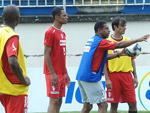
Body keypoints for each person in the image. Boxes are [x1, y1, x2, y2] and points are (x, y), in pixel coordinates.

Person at [76, 21, 149, 113]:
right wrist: (138, 39)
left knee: (87, 106)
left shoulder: (92, 40)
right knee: (103, 105)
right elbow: (119, 45)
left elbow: (104, 57)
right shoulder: (101, 42)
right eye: (106, 28)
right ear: (99, 30)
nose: (109, 31)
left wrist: (120, 54)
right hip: (91, 77)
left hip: (81, 76)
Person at [104, 17, 141, 113]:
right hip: (113, 76)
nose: (125, 28)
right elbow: (103, 62)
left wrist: (135, 76)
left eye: (125, 26)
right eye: (123, 26)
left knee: (133, 103)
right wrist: (107, 79)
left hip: (127, 76)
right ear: (115, 27)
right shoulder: (106, 42)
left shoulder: (129, 41)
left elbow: (132, 60)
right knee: (114, 105)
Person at [0, 5, 31, 113]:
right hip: (15, 88)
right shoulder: (11, 36)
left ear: (2, 16)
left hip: (3, 87)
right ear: (18, 19)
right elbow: (12, 61)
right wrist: (23, 80)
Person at [43, 7, 70, 113]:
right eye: (64, 15)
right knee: (53, 100)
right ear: (57, 17)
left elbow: (61, 56)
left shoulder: (63, 33)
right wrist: (52, 74)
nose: (67, 17)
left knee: (59, 100)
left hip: (62, 73)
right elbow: (46, 53)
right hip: (53, 73)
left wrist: (66, 73)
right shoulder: (50, 32)